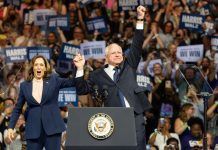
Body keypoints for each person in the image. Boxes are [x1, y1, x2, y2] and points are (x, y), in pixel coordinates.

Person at [74, 5, 151, 150]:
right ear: (106, 57)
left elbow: (137, 44)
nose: (118, 54)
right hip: (114, 118)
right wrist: (79, 69)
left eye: (120, 52)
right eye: (114, 53)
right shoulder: (97, 74)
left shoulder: (129, 66)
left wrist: (140, 19)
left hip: (135, 116)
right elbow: (81, 89)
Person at [7, 54, 82, 150]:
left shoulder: (54, 80)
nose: (39, 67)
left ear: (46, 68)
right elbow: (17, 108)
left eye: (41, 65)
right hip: (33, 131)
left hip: (53, 129)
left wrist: (79, 68)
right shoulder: (25, 85)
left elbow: (72, 82)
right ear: (32, 67)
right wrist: (10, 127)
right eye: (36, 64)